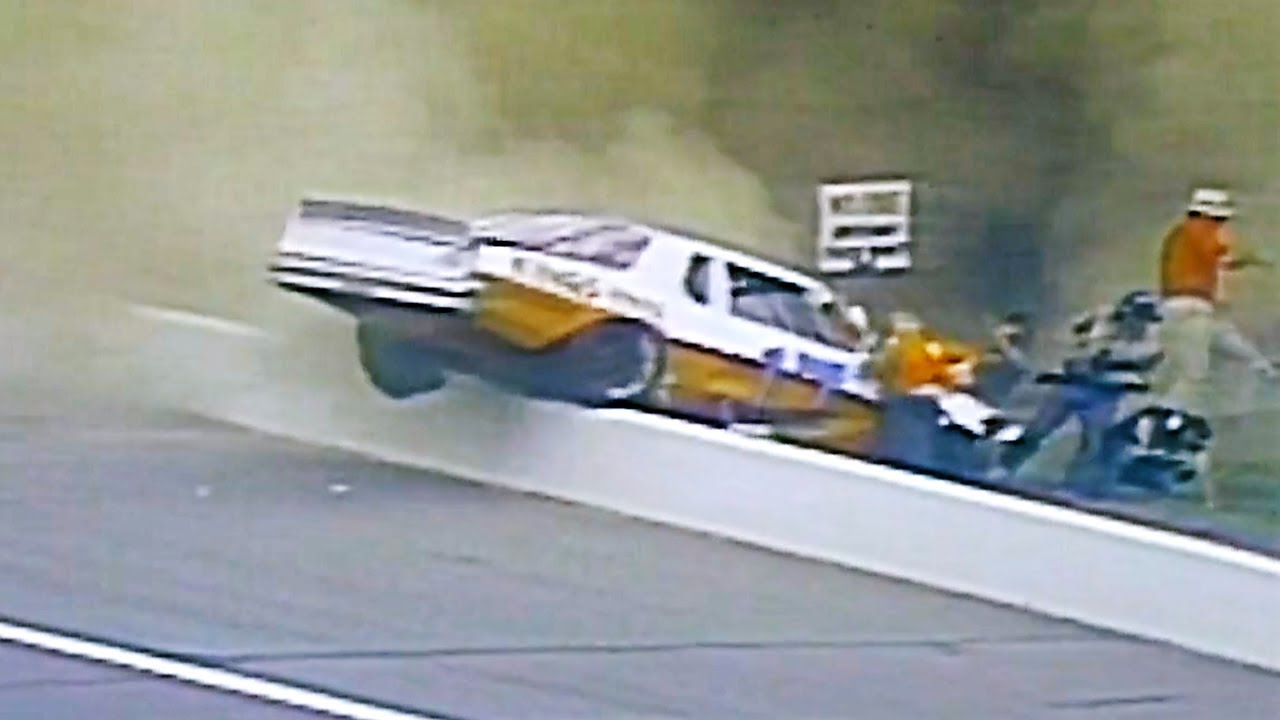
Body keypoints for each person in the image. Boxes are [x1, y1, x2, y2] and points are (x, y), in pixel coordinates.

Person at [1156, 187, 1276, 505]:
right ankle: (1167, 425)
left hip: (1199, 309)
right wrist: (1255, 258)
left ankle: (1266, 369)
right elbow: (1224, 255)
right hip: (1188, 308)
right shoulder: (1198, 231)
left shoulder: (1187, 235)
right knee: (1193, 377)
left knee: (1242, 352)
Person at [996, 291, 1165, 497]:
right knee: (1039, 428)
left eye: (1143, 319)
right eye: (1133, 316)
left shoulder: (1150, 341)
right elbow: (1073, 341)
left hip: (1106, 394)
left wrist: (1105, 357)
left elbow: (1141, 362)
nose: (1136, 323)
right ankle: (1004, 467)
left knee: (1094, 442)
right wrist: (1094, 331)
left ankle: (1077, 486)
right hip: (1074, 385)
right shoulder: (1101, 321)